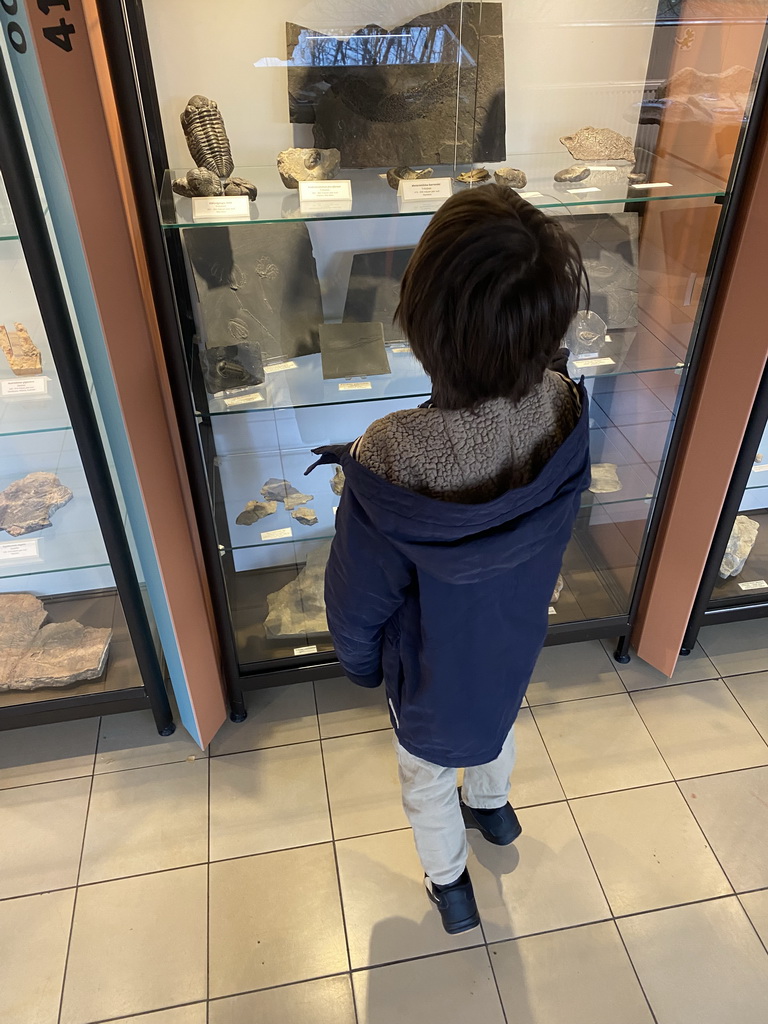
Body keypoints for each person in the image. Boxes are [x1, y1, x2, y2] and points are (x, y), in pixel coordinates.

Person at [308, 184, 591, 934]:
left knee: (426, 776)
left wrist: (363, 665)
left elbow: (357, 597)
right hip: (514, 640)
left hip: (430, 672)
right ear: (548, 321)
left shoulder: (391, 452)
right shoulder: (564, 406)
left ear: (421, 323)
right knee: (500, 722)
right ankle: (495, 812)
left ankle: (451, 887)